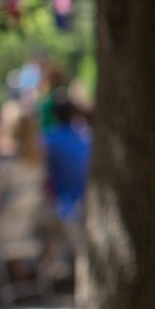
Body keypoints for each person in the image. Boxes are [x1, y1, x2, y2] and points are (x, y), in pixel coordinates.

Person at [0, 104, 45, 267]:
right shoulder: (37, 164)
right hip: (28, 231)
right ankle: (17, 279)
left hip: (2, 234)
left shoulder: (4, 164)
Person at [43, 93, 90, 222]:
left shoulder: (47, 140)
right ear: (73, 114)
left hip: (62, 209)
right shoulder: (87, 138)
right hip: (84, 205)